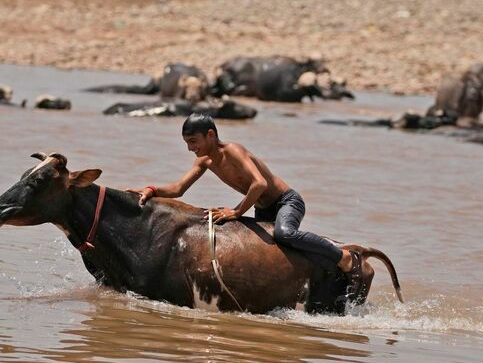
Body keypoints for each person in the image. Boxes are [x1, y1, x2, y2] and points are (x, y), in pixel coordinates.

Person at [128, 114, 364, 295]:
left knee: (285, 233)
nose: (190, 148)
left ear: (210, 135)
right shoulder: (205, 161)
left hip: (286, 201)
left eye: (193, 141)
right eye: (186, 143)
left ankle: (343, 257)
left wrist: (237, 211)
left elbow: (259, 184)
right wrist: (151, 190)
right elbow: (178, 189)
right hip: (262, 209)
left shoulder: (233, 150)